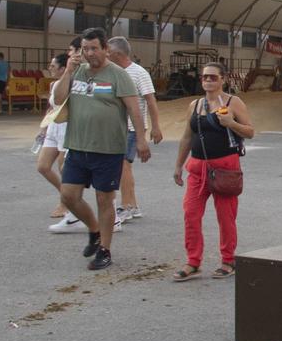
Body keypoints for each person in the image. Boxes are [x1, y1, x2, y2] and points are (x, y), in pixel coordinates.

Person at [55, 28, 149, 271]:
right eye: (85, 49)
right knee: (69, 196)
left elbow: (134, 110)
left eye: (94, 48)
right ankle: (94, 230)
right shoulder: (77, 72)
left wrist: (141, 139)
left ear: (105, 48)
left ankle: (105, 250)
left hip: (108, 149)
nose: (89, 53)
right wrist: (67, 71)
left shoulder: (118, 75)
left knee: (104, 199)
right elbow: (58, 99)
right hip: (77, 145)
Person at [172, 62, 255, 281]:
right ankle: (193, 261)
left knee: (226, 216)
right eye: (204, 77)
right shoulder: (195, 105)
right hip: (197, 168)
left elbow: (250, 132)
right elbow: (187, 137)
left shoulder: (233, 102)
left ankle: (228, 260)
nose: (208, 81)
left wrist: (230, 123)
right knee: (191, 214)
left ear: (223, 79)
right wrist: (178, 165)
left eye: (213, 77)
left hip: (225, 168)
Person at [105, 37, 162, 225]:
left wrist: (155, 126)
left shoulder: (138, 73)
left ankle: (127, 206)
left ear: (118, 54)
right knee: (121, 166)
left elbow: (151, 100)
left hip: (131, 127)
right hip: (116, 127)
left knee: (123, 166)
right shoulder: (112, 72)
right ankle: (133, 205)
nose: (106, 54)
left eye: (108, 51)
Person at [38, 51, 83, 231]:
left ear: (64, 68)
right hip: (53, 127)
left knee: (65, 169)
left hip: (66, 128)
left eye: (53, 66)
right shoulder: (54, 85)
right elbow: (51, 107)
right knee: (43, 166)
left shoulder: (72, 84)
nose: (50, 68)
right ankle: (64, 196)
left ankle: (67, 204)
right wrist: (43, 127)